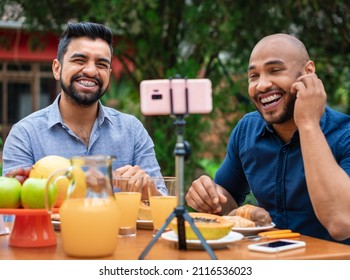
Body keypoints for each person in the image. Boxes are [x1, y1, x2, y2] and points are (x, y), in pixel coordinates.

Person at [186, 33, 350, 244]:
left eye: (275, 70)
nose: (261, 85)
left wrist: (308, 124)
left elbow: (342, 222)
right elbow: (228, 202)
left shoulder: (344, 135)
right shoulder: (247, 130)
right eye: (254, 76)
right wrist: (209, 196)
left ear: (308, 72)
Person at [2, 21, 166, 199]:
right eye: (79, 60)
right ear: (57, 69)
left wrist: (148, 191)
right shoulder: (25, 134)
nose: (90, 70)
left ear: (109, 75)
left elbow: (163, 205)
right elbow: (13, 214)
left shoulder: (132, 130)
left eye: (101, 64)